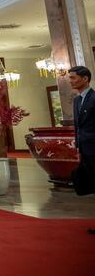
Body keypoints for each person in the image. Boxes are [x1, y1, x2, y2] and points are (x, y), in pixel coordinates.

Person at [69, 66, 95, 235]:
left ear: (85, 79)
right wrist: (78, 146)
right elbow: (78, 127)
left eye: (73, 78)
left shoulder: (94, 98)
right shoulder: (77, 100)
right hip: (85, 149)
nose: (70, 81)